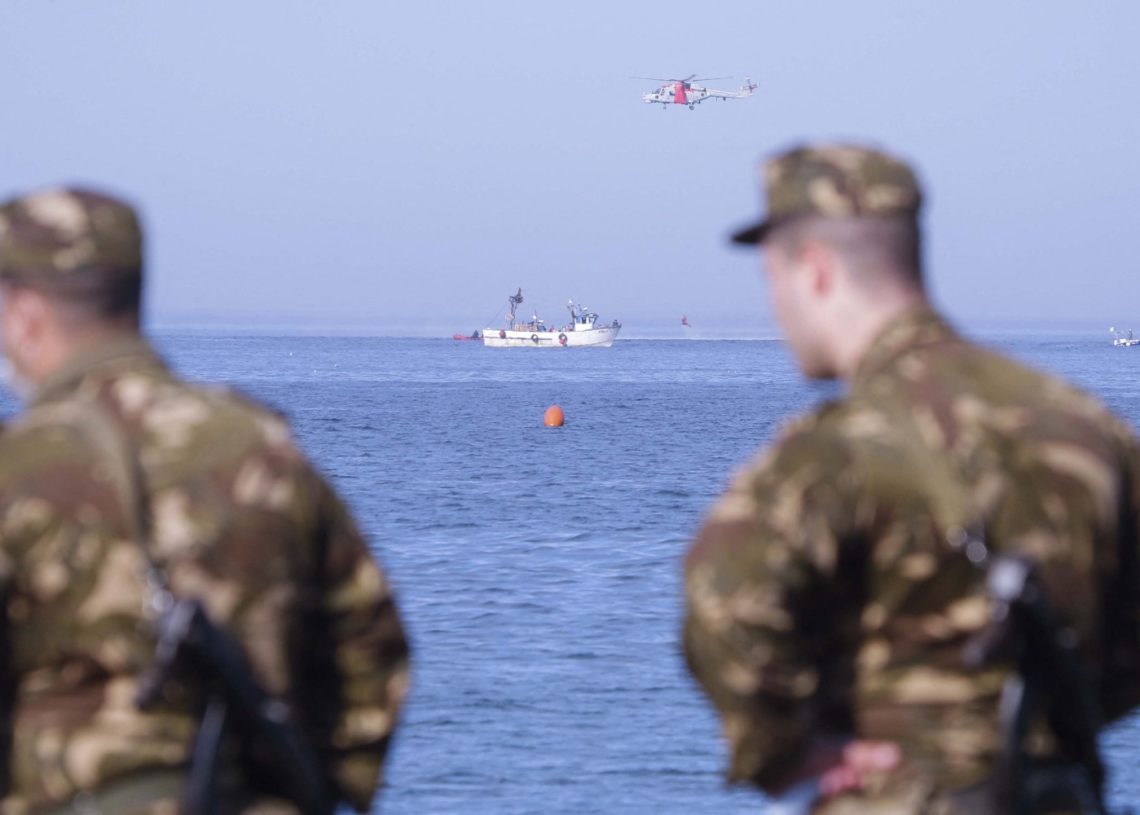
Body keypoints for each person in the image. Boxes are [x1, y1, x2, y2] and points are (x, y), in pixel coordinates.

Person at [682, 144, 1140, 813]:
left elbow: (720, 595)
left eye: (771, 278)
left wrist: (784, 755)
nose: (774, 304)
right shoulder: (1088, 427)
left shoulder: (834, 449)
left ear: (815, 269)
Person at [0, 187, 410, 814]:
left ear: (24, 313)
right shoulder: (260, 448)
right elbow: (371, 647)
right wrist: (315, 793)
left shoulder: (18, 467)